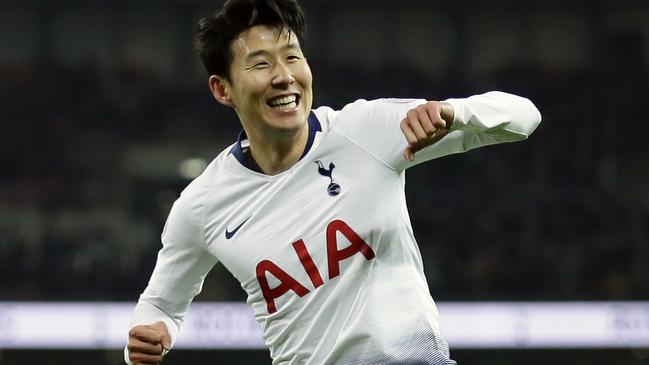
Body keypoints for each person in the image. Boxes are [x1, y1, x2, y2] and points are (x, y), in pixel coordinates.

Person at [125, 0, 541, 364]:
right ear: (222, 89)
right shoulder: (202, 205)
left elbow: (524, 117)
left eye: (292, 57)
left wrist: (453, 113)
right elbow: (161, 303)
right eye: (261, 63)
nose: (284, 76)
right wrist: (145, 340)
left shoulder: (363, 131)